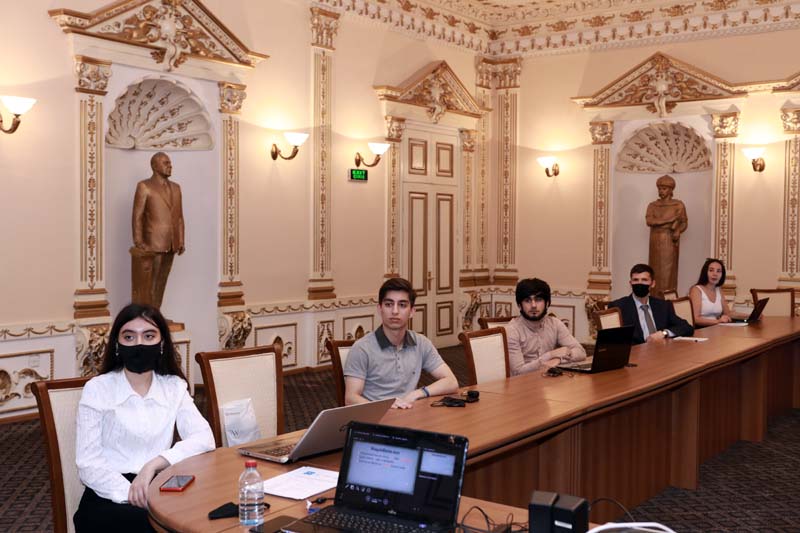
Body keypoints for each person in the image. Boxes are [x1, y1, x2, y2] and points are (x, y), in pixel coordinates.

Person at [73, 304, 214, 532]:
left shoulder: (174, 387)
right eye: (129, 337)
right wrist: (134, 492)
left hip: (160, 484)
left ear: (162, 343)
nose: (139, 344)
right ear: (117, 344)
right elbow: (88, 464)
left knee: (209, 515)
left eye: (149, 336)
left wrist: (153, 465)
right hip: (108, 493)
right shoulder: (97, 389)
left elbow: (204, 438)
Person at [343, 277, 458, 409]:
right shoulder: (362, 348)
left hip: (409, 412)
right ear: (380, 309)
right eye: (389, 304)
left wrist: (418, 393)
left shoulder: (421, 343)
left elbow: (452, 382)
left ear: (412, 312)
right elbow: (350, 399)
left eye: (402, 305)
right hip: (376, 417)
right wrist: (384, 406)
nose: (395, 311)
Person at [131, 152, 185, 309]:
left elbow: (179, 217)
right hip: (153, 243)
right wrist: (139, 242)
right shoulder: (145, 186)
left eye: (170, 163)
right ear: (154, 166)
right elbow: (137, 216)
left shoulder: (176, 188)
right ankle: (148, 313)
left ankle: (156, 313)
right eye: (165, 163)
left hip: (172, 243)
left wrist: (181, 240)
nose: (170, 166)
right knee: (150, 283)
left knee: (162, 281)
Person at [505, 278, 586, 375]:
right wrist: (550, 355)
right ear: (519, 305)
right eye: (527, 300)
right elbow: (518, 372)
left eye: (538, 300)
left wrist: (558, 359)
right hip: (523, 382)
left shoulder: (555, 323)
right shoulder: (512, 330)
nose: (533, 305)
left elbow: (581, 352)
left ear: (547, 303)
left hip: (549, 380)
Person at [609, 263, 694, 345]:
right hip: (636, 353)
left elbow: (686, 327)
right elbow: (614, 341)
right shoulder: (619, 307)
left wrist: (664, 333)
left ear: (653, 284)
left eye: (644, 280)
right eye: (635, 280)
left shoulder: (663, 305)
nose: (639, 283)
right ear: (630, 283)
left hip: (661, 350)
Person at [646, 175, 688, 296]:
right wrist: (668, 220)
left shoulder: (678, 205)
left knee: (668, 272)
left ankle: (668, 298)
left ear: (671, 190)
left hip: (670, 240)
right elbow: (649, 221)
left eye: (664, 188)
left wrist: (678, 230)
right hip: (655, 240)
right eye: (659, 188)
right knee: (655, 270)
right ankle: (654, 297)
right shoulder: (652, 205)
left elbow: (684, 222)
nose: (661, 191)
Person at [688, 258, 742, 327]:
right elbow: (695, 319)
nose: (715, 274)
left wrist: (750, 315)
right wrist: (718, 321)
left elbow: (728, 313)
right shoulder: (696, 290)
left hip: (716, 328)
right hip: (700, 329)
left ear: (722, 275)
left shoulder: (719, 290)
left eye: (718, 271)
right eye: (711, 270)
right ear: (705, 272)